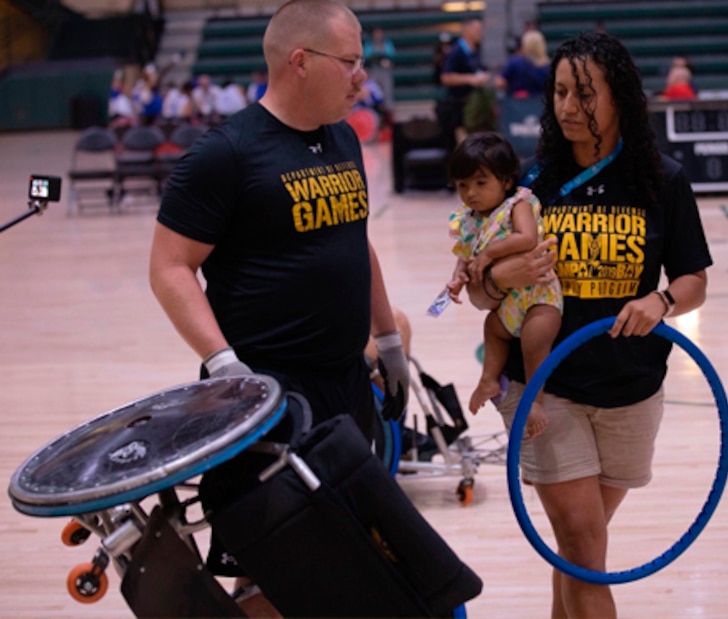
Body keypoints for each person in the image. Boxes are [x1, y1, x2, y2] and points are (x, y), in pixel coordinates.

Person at [148, 0, 410, 613]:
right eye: (350, 62)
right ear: (300, 61)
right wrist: (225, 366)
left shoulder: (343, 137)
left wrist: (389, 340)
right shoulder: (226, 154)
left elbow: (355, 241)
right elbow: (169, 267)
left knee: (342, 555)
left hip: (345, 387)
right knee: (273, 572)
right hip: (267, 399)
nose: (361, 77)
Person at [466, 31, 712, 618]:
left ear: (620, 97)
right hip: (547, 391)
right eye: (559, 93)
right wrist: (502, 279)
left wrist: (661, 301)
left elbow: (694, 280)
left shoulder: (662, 179)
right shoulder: (530, 186)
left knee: (580, 549)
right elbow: (478, 295)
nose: (569, 108)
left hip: (632, 389)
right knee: (581, 544)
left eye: (584, 94)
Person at [444, 131, 563, 439]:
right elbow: (465, 256)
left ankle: (535, 401)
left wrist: (490, 253)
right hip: (508, 303)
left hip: (539, 296)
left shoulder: (517, 205)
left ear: (507, 181)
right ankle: (488, 379)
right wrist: (458, 278)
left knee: (535, 340)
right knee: (493, 329)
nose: (471, 193)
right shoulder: (468, 220)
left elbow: (527, 238)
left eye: (481, 183)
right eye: (462, 185)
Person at [438, 17, 490, 143]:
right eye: (477, 29)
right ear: (467, 30)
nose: (480, 32)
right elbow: (445, 77)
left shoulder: (475, 50)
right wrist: (470, 79)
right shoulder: (456, 51)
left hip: (475, 109)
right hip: (460, 108)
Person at [495, 29, 551, 98]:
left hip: (517, 105)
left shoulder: (515, 61)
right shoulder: (549, 66)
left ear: (524, 45)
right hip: (541, 105)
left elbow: (499, 82)